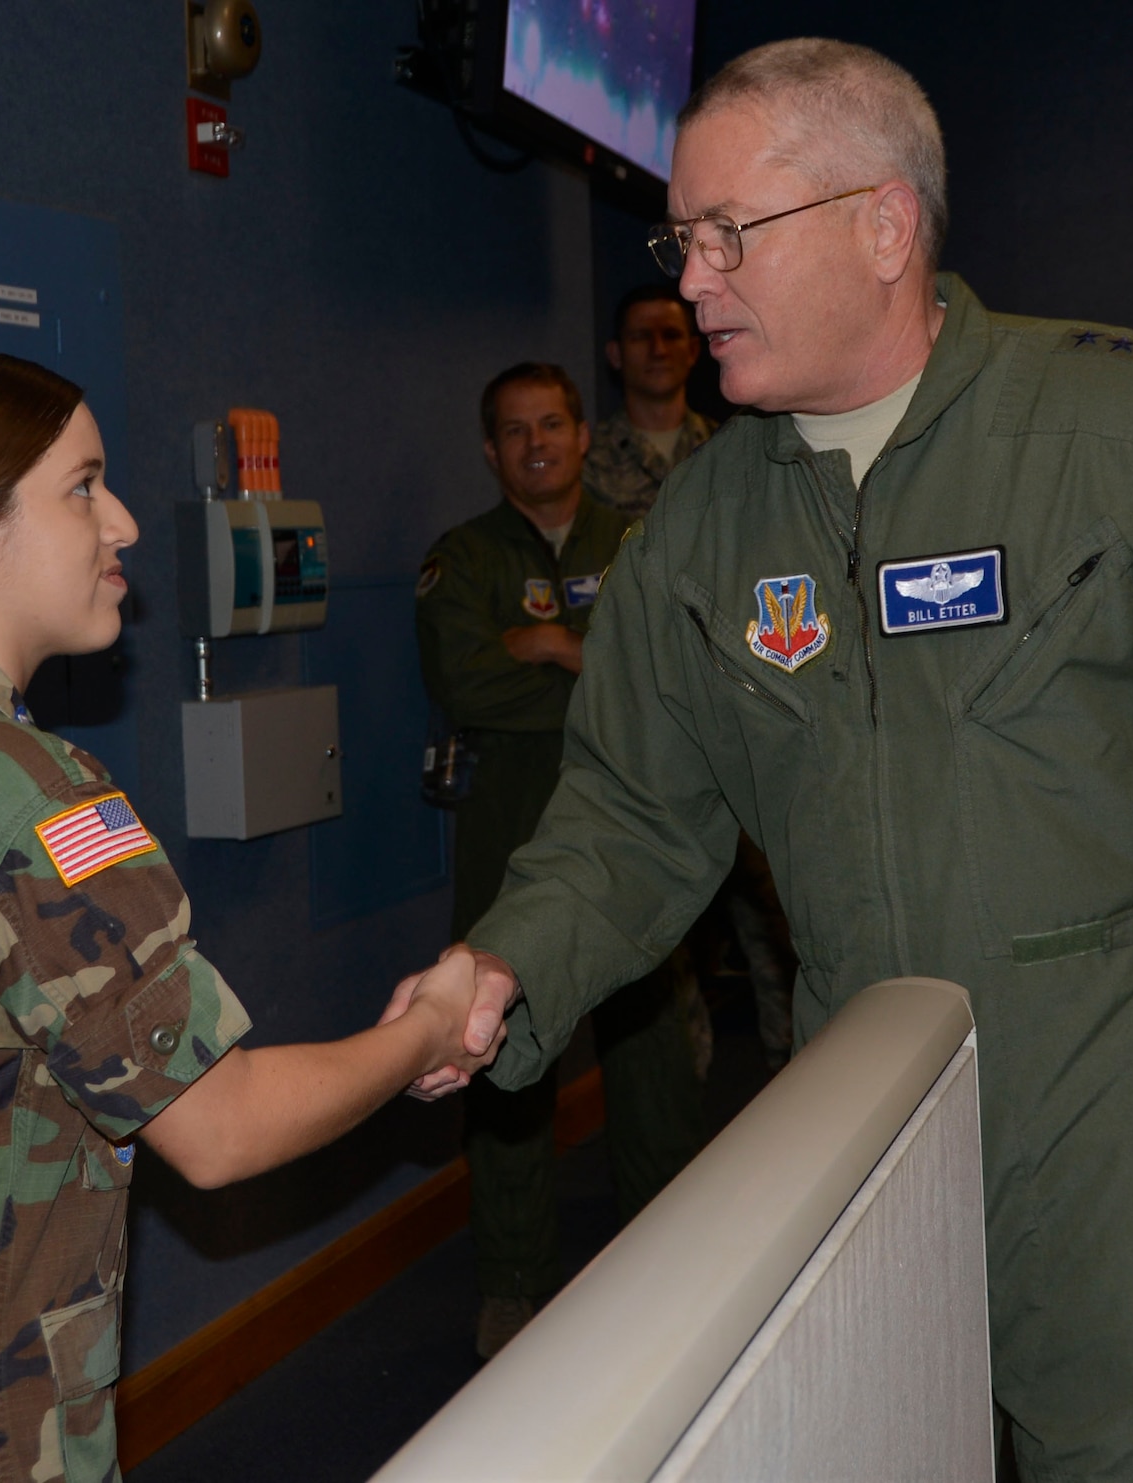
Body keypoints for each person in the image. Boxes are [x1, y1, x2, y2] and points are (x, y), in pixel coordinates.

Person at [392, 39, 1133, 1481]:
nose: (691, 280)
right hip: (881, 1148)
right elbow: (628, 818)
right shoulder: (705, 527)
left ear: (883, 224)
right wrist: (501, 971)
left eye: (733, 234)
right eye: (683, 237)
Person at [0, 346, 493, 1481]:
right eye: (81, 486)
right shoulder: (28, 794)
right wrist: (428, 1027)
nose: (119, 523)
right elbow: (217, 1129)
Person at [415, 363, 704, 1359]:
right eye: (512, 429)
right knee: (498, 1058)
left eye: (552, 423)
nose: (535, 441)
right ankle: (511, 1282)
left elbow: (670, 674)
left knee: (652, 1052)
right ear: (491, 452)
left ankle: (671, 1265)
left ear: (585, 436)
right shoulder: (461, 560)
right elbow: (466, 685)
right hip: (509, 834)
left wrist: (550, 646)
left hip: (632, 828)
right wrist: (596, 665)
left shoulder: (638, 546)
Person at [584, 283, 718, 517]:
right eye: (641, 337)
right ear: (616, 354)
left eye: (671, 335)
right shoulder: (588, 461)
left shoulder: (724, 446)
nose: (658, 350)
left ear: (693, 350)